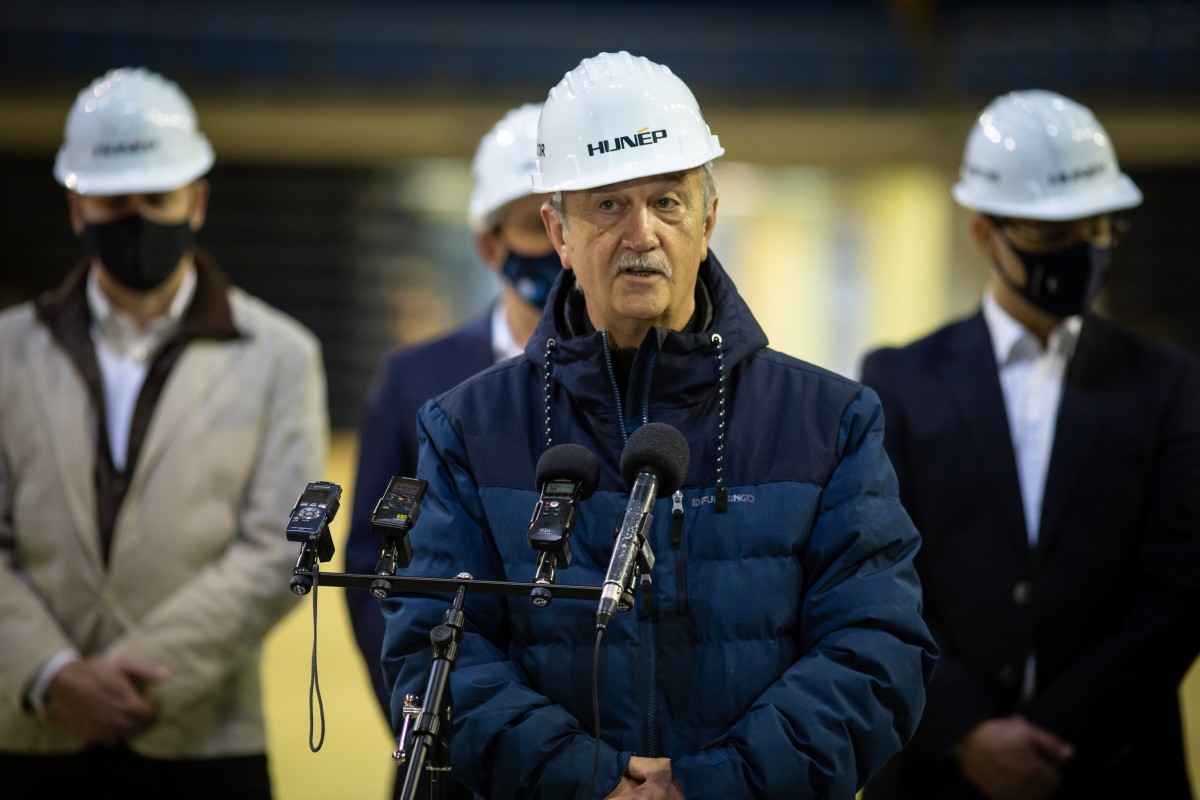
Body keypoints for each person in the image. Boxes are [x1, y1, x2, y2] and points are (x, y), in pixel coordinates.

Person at [379, 51, 936, 799]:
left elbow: (877, 651)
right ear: (558, 232)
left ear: (707, 220)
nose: (641, 233)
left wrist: (709, 788)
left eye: (667, 202)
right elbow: (434, 652)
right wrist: (590, 784)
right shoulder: (466, 429)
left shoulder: (830, 422)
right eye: (608, 204)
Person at [861, 90, 1200, 800]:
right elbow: (878, 577)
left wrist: (1050, 739)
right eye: (1051, 233)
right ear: (983, 234)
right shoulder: (899, 380)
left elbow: (1180, 590)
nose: (1082, 251)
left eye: (1098, 228)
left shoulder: (1168, 384)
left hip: (1114, 767)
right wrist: (968, 730)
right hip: (939, 773)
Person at [0, 67, 328, 798]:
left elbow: (282, 544)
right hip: (34, 735)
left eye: (158, 197)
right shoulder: (6, 353)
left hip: (205, 742)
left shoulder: (281, 355)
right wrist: (53, 673)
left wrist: (129, 683)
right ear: (77, 206)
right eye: (115, 201)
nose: (138, 218)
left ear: (197, 201)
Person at [345, 102, 559, 798]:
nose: (557, 244)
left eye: (567, 220)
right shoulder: (414, 379)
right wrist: (423, 710)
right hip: (447, 742)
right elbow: (372, 565)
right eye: (534, 225)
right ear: (490, 245)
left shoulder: (630, 386)